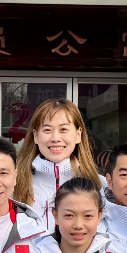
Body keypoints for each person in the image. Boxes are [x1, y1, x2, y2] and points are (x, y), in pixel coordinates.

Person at [14, 98, 103, 231]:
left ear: (78, 135)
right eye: (47, 130)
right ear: (35, 135)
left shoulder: (100, 185)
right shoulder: (14, 184)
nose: (55, 138)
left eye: (63, 129)